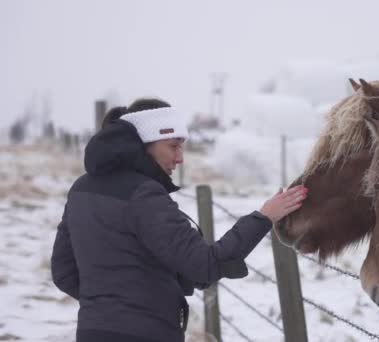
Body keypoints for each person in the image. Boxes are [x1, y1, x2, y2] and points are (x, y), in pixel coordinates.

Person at [50, 98, 308, 342]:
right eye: (173, 146)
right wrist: (263, 217)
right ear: (144, 145)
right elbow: (204, 266)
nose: (180, 157)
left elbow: (63, 272)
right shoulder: (144, 194)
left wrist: (106, 306)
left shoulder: (81, 189)